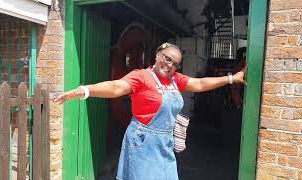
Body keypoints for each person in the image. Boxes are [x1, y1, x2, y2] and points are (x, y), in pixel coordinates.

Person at [53, 42, 247, 180]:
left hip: (165, 142)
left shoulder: (175, 79)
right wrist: (84, 90)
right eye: (167, 58)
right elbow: (116, 87)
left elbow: (200, 83)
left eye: (175, 63)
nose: (169, 65)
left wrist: (231, 79)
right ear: (157, 55)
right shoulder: (141, 76)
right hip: (143, 140)